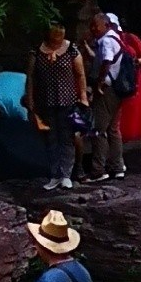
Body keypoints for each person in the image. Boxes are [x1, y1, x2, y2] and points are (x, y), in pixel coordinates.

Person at [28, 24, 87, 193]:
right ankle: (54, 174)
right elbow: (31, 77)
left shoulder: (71, 50)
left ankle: (66, 174)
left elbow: (80, 73)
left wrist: (83, 95)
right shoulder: (37, 52)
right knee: (51, 138)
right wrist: (31, 99)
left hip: (67, 99)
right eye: (56, 37)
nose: (58, 40)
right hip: (46, 101)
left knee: (67, 137)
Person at [85, 12, 134, 185]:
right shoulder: (115, 38)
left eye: (95, 25)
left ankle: (98, 170)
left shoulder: (106, 40)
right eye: (91, 25)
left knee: (98, 129)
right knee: (114, 129)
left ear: (106, 25)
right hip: (119, 89)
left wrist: (98, 84)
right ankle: (118, 167)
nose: (92, 29)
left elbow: (107, 61)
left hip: (108, 89)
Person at [114, 24, 141, 171]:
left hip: (137, 82)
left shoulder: (129, 38)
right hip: (120, 85)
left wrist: (136, 62)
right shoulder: (106, 41)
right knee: (119, 121)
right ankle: (118, 159)